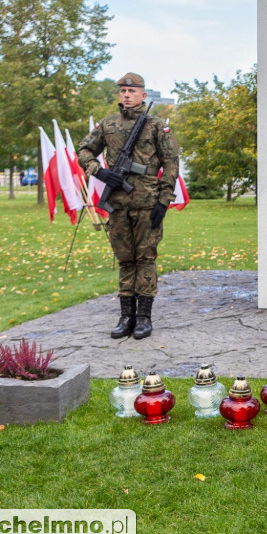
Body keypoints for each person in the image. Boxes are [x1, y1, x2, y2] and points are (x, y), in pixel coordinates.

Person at [78, 73, 179, 339]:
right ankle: (126, 316)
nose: (126, 95)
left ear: (143, 95)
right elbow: (84, 150)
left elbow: (171, 163)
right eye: (123, 90)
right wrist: (98, 172)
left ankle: (144, 318)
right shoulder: (107, 125)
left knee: (145, 258)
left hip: (148, 203)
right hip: (118, 205)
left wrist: (164, 200)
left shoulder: (156, 126)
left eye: (132, 91)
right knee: (125, 259)